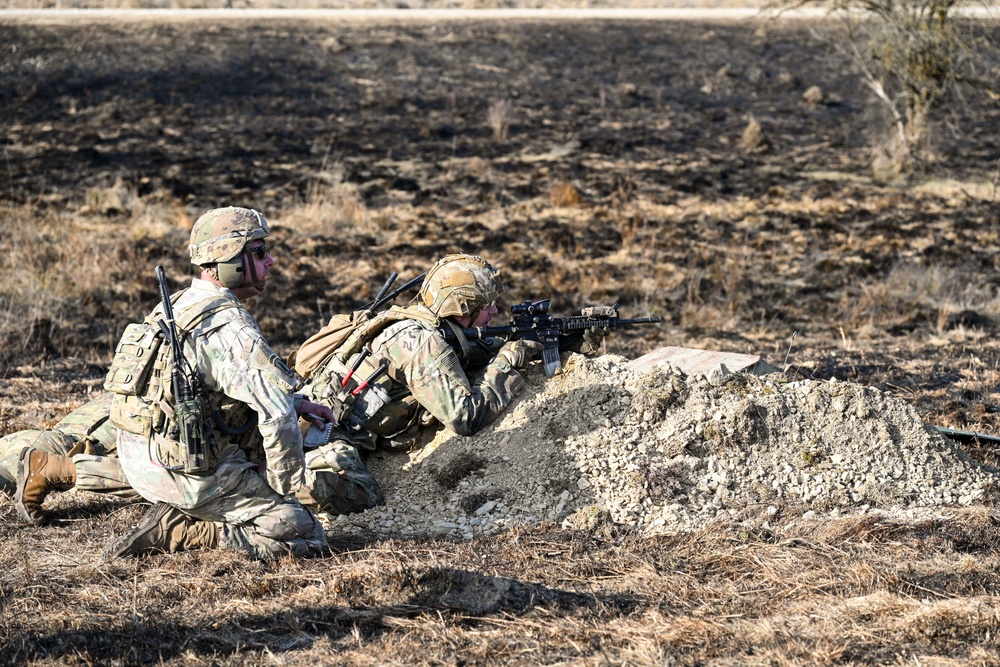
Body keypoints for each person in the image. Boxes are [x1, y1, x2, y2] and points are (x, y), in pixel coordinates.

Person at [102, 206, 334, 561]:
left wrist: (300, 403)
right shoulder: (229, 327)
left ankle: (193, 507)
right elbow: (276, 415)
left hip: (144, 464)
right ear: (231, 262)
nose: (270, 261)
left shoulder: (177, 304)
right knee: (303, 535)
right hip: (187, 475)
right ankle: (192, 528)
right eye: (259, 253)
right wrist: (285, 490)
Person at [295, 253, 605, 517]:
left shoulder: (443, 330)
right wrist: (511, 360)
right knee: (364, 496)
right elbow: (465, 417)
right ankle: (282, 483)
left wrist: (571, 338)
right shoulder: (419, 342)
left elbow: (500, 349)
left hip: (340, 425)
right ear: (463, 307)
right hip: (321, 434)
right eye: (487, 305)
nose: (495, 311)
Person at [2, 392, 135, 525]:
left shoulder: (134, 384)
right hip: (59, 448)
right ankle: (46, 467)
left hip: (47, 436)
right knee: (150, 485)